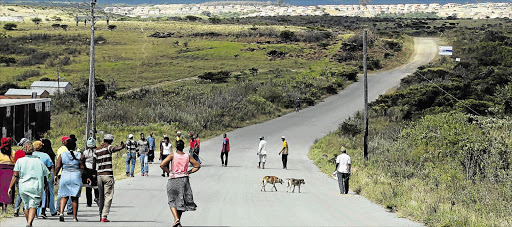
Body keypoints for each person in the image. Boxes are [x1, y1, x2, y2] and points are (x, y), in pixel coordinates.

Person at [7, 142, 50, 227]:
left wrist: (10, 187)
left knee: (26, 206)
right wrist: (50, 181)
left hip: (23, 187)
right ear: (33, 150)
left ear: (23, 150)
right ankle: (29, 223)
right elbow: (48, 174)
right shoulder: (39, 161)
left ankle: (29, 224)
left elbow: (15, 175)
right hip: (36, 187)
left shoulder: (19, 161)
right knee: (33, 205)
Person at [160, 140, 200, 227]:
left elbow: (162, 165)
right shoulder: (187, 156)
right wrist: (189, 172)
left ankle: (176, 220)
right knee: (181, 201)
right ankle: (177, 221)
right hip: (184, 180)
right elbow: (197, 166)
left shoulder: (172, 156)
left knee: (172, 200)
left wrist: (169, 171)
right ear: (183, 147)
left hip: (173, 179)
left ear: (176, 147)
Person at [93, 134, 125, 222]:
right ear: (110, 141)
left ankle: (100, 214)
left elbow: (94, 163)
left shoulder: (97, 149)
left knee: (101, 196)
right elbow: (113, 149)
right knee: (108, 196)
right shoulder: (108, 147)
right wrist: (122, 147)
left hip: (99, 175)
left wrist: (94, 174)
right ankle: (104, 216)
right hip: (107, 175)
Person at [55, 139, 85, 222]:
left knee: (64, 196)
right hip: (76, 176)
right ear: (75, 146)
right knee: (75, 198)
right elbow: (82, 167)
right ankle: (74, 217)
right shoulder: (79, 155)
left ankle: (61, 213)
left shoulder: (62, 155)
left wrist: (55, 175)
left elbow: (57, 167)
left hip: (65, 176)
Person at [32, 141, 55, 219]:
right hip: (43, 177)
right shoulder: (45, 155)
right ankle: (42, 211)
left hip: (32, 177)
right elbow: (51, 166)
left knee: (33, 193)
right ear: (41, 147)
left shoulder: (30, 155)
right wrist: (51, 178)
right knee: (44, 194)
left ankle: (34, 212)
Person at [55, 136, 72, 215]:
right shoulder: (65, 150)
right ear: (63, 142)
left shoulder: (60, 149)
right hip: (64, 171)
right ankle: (68, 209)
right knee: (67, 192)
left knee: (61, 192)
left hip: (61, 172)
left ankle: (58, 209)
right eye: (67, 141)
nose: (68, 142)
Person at [40, 138, 57, 216]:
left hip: (42, 173)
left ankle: (41, 209)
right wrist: (55, 176)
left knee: (42, 191)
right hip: (50, 173)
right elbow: (53, 165)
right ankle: (52, 210)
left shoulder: (42, 154)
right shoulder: (51, 153)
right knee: (51, 192)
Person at [0, 137, 15, 214]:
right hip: (9, 171)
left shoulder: (1, 151)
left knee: (3, 189)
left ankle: (4, 207)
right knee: (7, 189)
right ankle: (5, 207)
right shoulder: (13, 152)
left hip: (4, 171)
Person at [83, 138, 99, 207]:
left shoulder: (85, 152)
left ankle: (89, 203)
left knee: (88, 187)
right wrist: (94, 172)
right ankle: (97, 198)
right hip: (94, 170)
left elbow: (83, 160)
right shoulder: (96, 151)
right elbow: (95, 162)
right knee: (96, 186)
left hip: (87, 170)